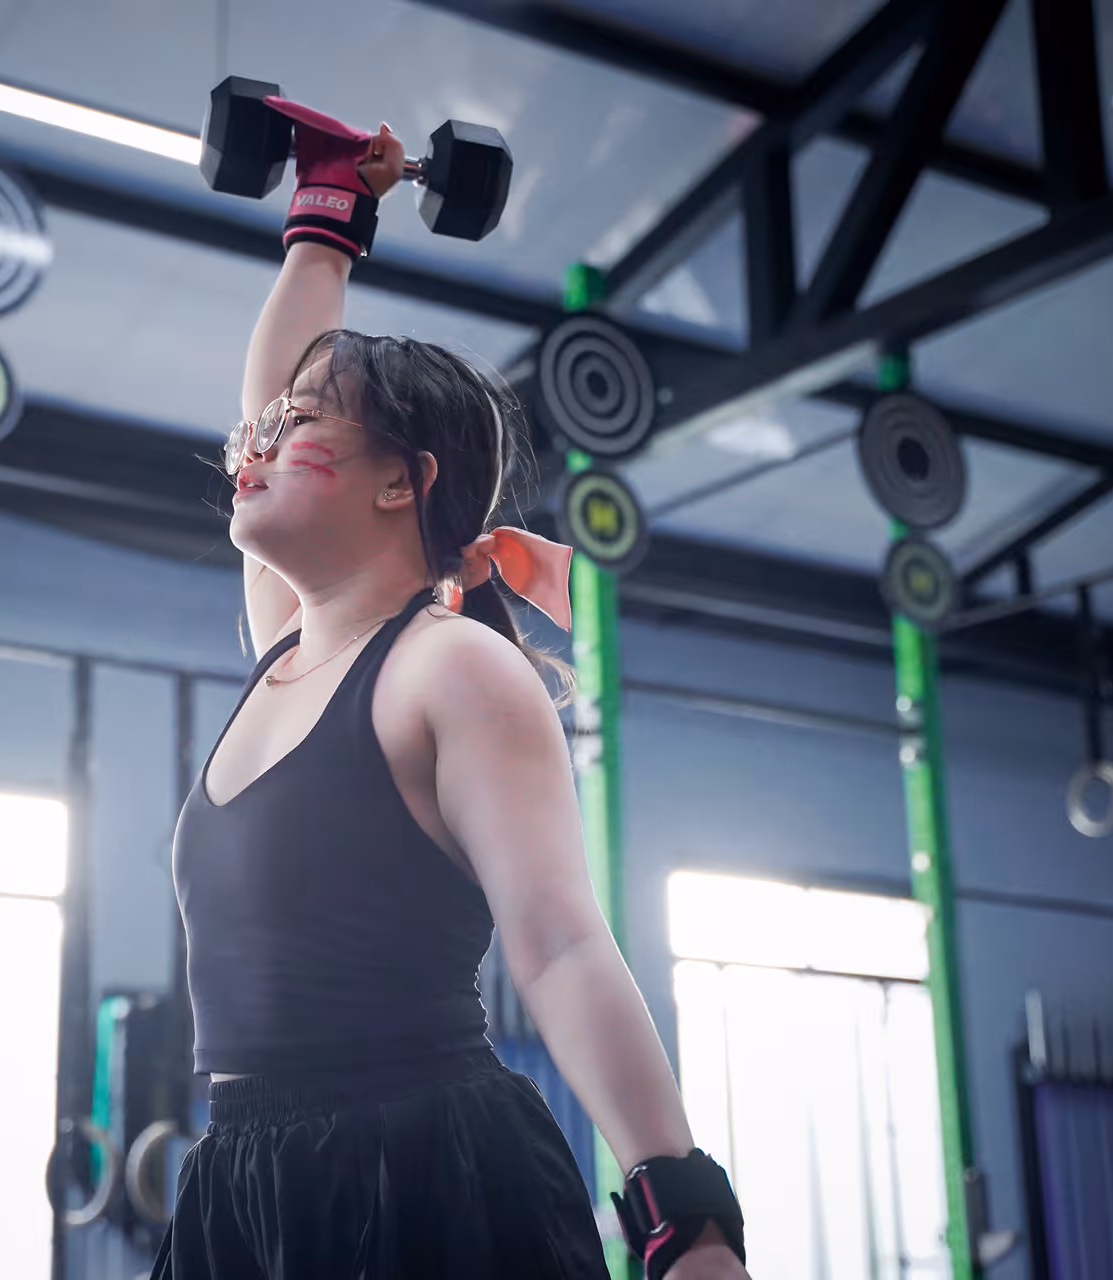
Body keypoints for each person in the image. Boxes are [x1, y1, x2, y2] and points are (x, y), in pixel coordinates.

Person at [154, 103, 749, 1280]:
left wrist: (686, 1216)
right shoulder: (290, 642)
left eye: (302, 429)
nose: (254, 448)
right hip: (238, 1180)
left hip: (419, 1163)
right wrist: (326, 217)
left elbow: (565, 946)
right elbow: (265, 393)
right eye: (262, 431)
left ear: (402, 486)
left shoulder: (452, 665)